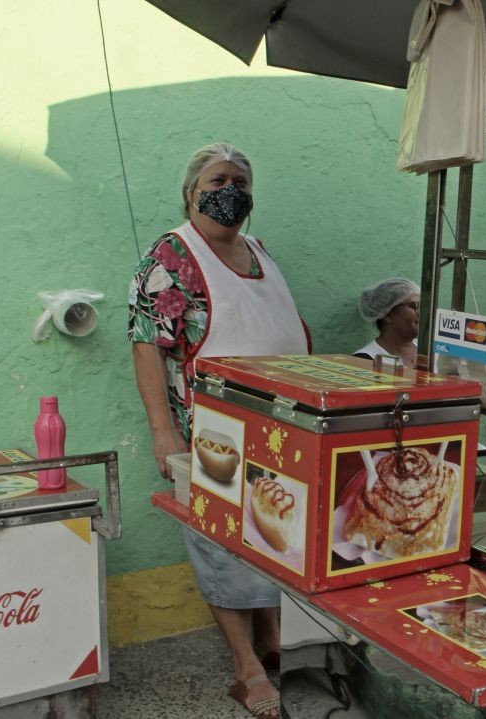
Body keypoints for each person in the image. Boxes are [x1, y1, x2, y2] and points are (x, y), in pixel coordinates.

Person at [129, 142, 308, 718]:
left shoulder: (261, 251)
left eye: (240, 179)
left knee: (276, 530)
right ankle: (245, 667)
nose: (230, 188)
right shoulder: (172, 256)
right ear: (192, 191)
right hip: (214, 432)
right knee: (223, 541)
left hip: (282, 426)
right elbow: (146, 347)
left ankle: (274, 638)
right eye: (217, 178)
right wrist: (163, 432)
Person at [354, 277, 420, 367]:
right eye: (415, 305)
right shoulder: (365, 361)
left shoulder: (431, 353)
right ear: (388, 315)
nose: (421, 312)